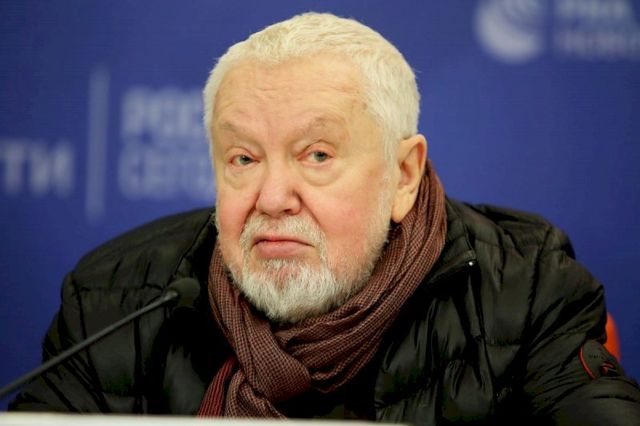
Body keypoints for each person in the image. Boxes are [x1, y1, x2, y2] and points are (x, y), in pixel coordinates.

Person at [9, 12, 640, 424]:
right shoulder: (115, 301)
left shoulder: (525, 293)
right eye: (243, 158)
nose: (272, 197)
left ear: (403, 175)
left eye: (316, 155)